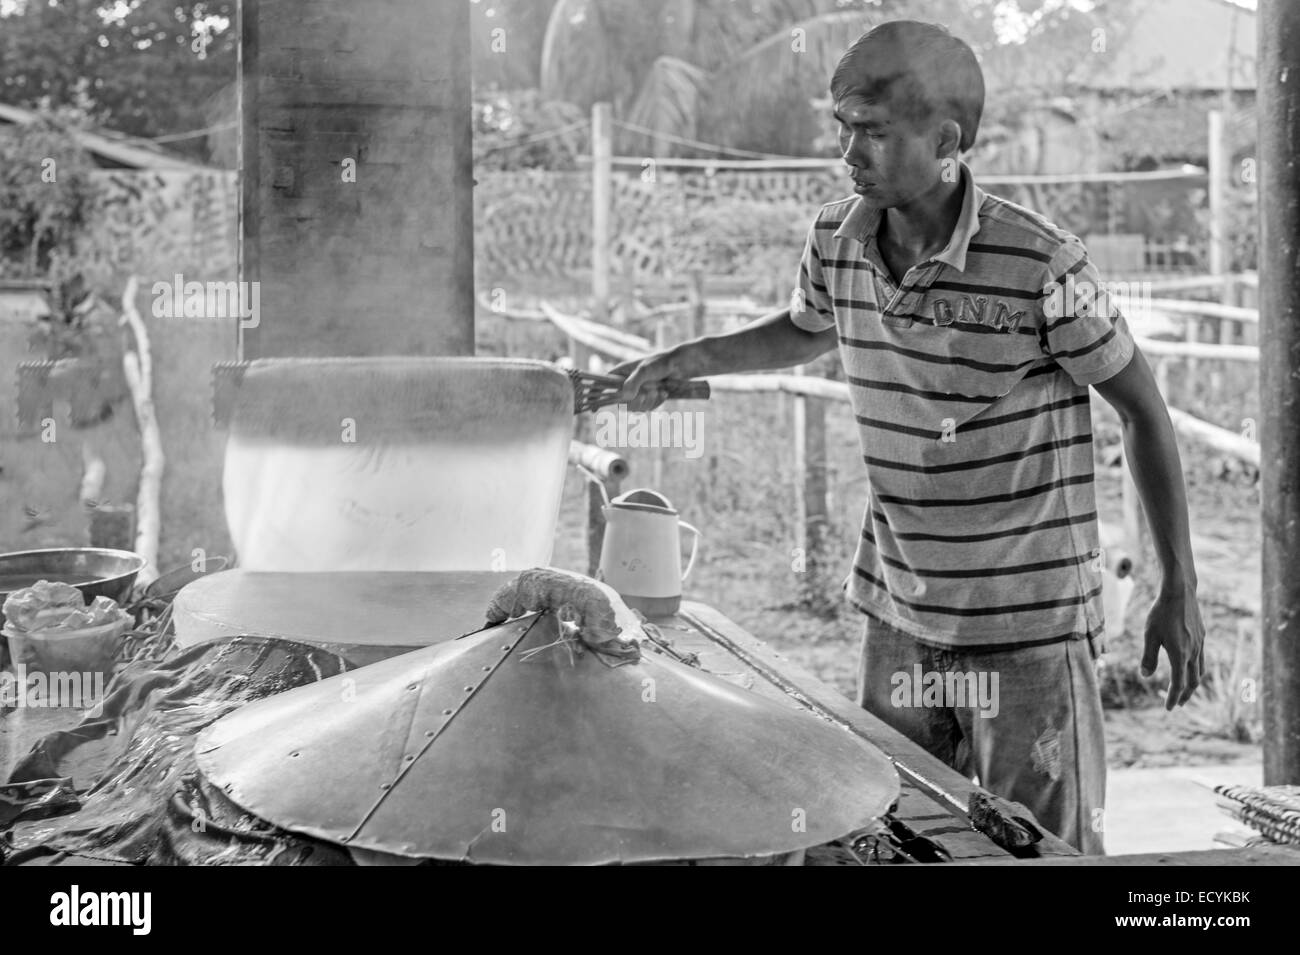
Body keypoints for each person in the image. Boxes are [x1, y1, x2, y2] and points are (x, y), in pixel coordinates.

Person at [610, 19, 1205, 855]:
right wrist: (690, 357)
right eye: (843, 129)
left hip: (1028, 631)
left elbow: (1143, 409)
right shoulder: (838, 237)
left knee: (1037, 851)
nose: (849, 151)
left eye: (872, 132)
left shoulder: (1044, 267)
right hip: (899, 612)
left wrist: (1177, 583)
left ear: (947, 140)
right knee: (902, 838)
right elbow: (806, 326)